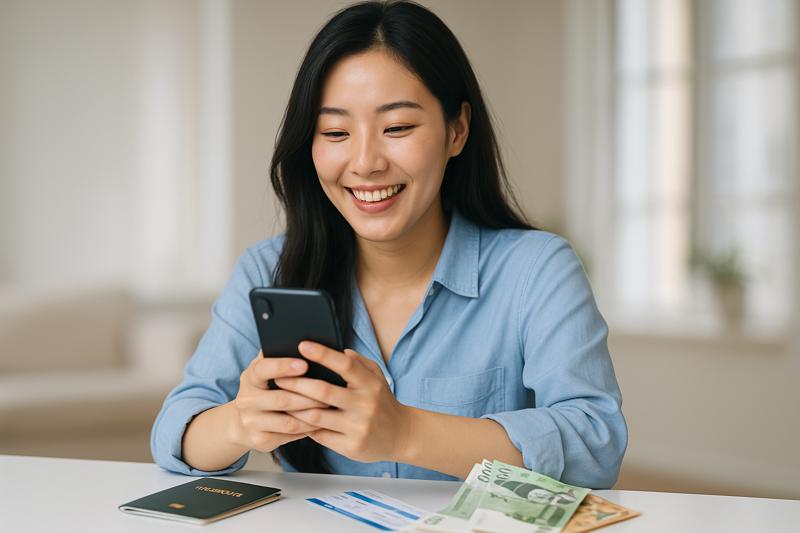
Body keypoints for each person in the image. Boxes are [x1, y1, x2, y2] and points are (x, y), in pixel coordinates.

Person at [151, 0, 627, 487]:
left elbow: (595, 444)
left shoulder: (536, 270)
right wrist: (240, 422)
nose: (364, 163)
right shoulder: (267, 269)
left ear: (457, 130)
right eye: (335, 132)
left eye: (397, 127)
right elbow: (175, 430)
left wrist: (403, 431)